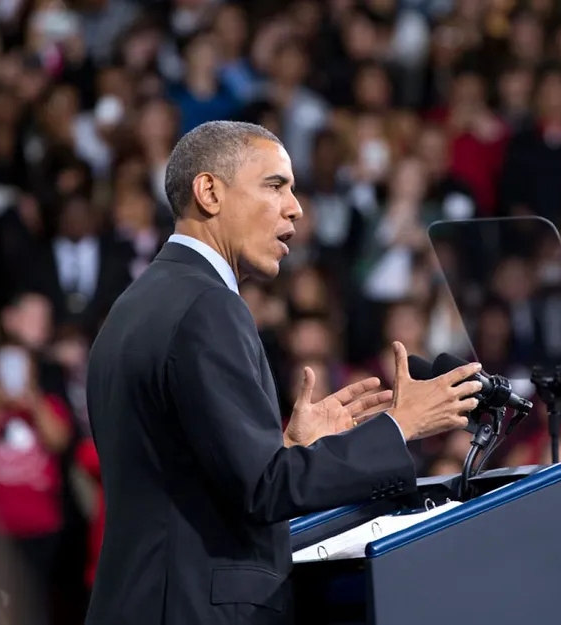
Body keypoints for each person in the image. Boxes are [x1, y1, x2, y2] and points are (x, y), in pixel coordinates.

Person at [85, 121, 482, 625]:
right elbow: (266, 490)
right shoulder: (210, 307)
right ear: (209, 191)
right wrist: (400, 425)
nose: (295, 206)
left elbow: (199, 477)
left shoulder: (135, 306)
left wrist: (290, 451)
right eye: (275, 185)